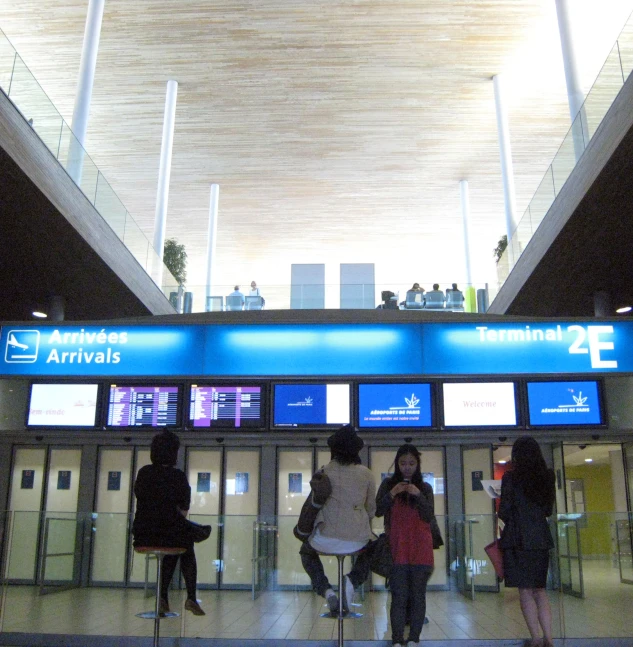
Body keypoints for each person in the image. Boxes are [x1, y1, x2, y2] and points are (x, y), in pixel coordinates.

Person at [299, 425, 376, 614]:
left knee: (306, 552)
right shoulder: (366, 474)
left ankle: (326, 590)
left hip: (323, 540)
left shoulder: (323, 471)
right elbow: (371, 510)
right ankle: (351, 580)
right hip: (356, 541)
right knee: (374, 547)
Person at [132, 431, 206, 616]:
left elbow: (140, 497)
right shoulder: (178, 476)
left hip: (143, 534)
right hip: (171, 535)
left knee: (172, 543)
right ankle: (190, 596)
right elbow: (183, 510)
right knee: (183, 545)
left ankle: (162, 597)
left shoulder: (144, 473)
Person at [376, 444, 435, 647]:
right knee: (398, 596)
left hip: (421, 550)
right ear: (397, 464)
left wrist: (417, 495)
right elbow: (377, 510)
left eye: (411, 463)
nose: (407, 468)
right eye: (403, 463)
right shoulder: (388, 485)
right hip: (397, 549)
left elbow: (428, 516)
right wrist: (392, 493)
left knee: (418, 596)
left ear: (418, 465)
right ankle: (397, 639)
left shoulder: (425, 488)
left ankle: (414, 639)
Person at [499, 436, 556, 647]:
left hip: (517, 538)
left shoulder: (511, 478)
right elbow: (548, 509)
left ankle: (535, 639)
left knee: (525, 591)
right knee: (540, 590)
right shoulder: (548, 477)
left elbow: (504, 511)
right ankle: (549, 639)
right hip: (541, 538)